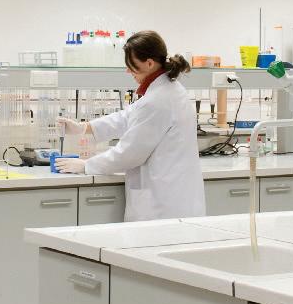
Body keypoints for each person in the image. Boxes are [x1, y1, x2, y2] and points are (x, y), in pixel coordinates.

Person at [56, 30, 205, 222]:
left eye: (131, 66)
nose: (128, 71)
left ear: (149, 63)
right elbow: (128, 116)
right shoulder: (170, 90)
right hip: (177, 197)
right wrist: (85, 127)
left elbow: (129, 153)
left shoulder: (157, 100)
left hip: (162, 205)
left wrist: (87, 165)